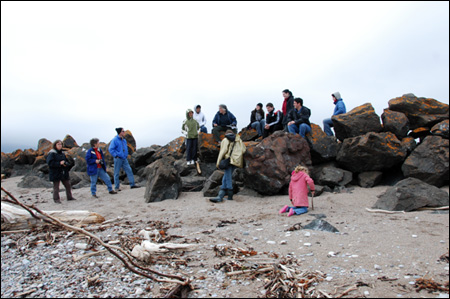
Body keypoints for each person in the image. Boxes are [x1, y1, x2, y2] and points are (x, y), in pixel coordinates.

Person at [210, 130, 246, 203]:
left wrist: (218, 162)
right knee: (226, 177)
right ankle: (222, 196)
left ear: (226, 134)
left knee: (228, 177)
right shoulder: (239, 140)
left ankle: (225, 196)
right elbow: (243, 150)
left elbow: (223, 151)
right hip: (236, 161)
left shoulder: (226, 140)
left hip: (228, 160)